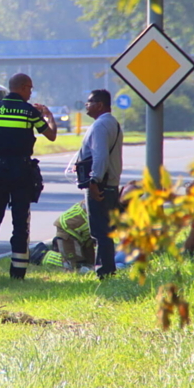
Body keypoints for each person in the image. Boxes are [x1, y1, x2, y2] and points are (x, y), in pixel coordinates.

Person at [0, 73, 57, 279]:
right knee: (20, 222)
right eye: (31, 88)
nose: (31, 92)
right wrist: (49, 115)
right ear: (24, 87)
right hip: (21, 171)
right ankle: (17, 272)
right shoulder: (30, 112)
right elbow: (51, 135)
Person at [75, 88, 123, 279]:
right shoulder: (112, 123)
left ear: (100, 105)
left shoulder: (100, 126)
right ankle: (105, 269)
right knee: (106, 231)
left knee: (99, 232)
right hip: (110, 185)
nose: (87, 105)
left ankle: (105, 272)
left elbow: (100, 155)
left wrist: (94, 181)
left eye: (89, 102)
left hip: (100, 186)